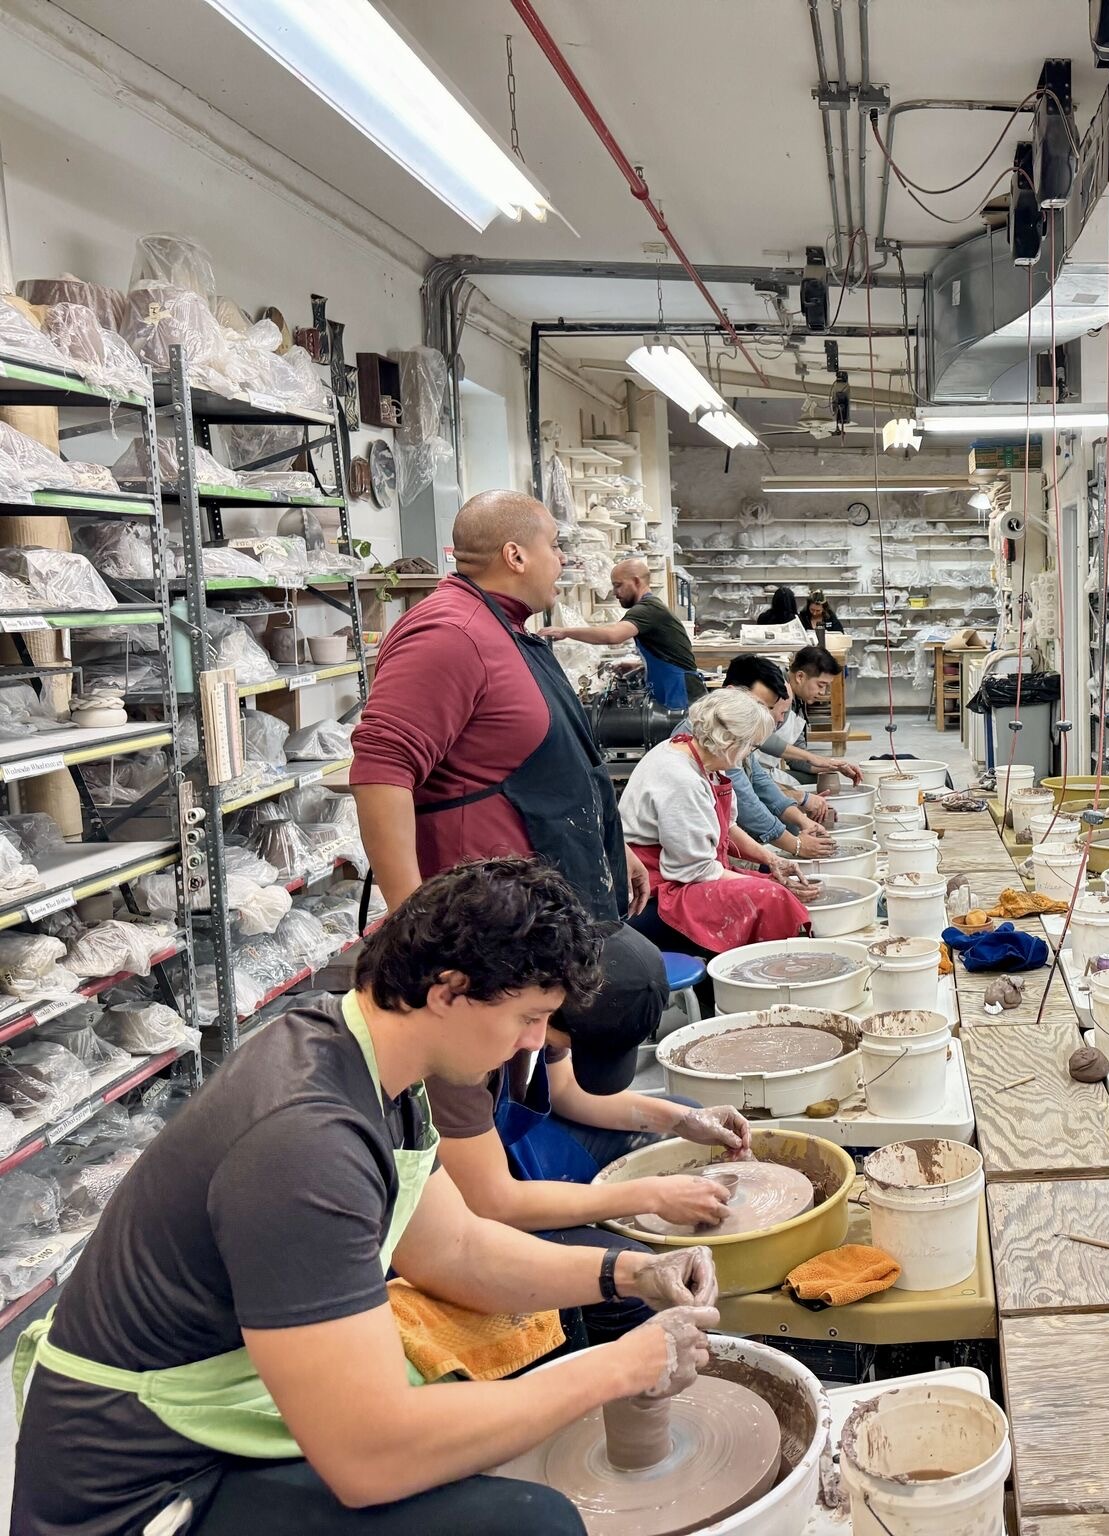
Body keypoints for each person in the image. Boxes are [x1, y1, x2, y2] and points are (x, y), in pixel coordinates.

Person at [13, 859, 723, 1536]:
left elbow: (456, 1250)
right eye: (527, 1017)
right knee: (533, 1523)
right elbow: (370, 1459)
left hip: (225, 1408)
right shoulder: (303, 1145)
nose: (532, 1042)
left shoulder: (378, 1064)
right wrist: (617, 1368)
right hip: (145, 1488)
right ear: (448, 989)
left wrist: (630, 1273)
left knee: (573, 1326)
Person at [352, 491, 666, 1105]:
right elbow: (382, 771)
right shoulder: (450, 634)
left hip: (533, 909)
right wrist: (412, 920)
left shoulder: (509, 631)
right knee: (477, 1086)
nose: (563, 560)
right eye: (555, 546)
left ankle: (526, 1156)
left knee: (533, 1072)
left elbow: (563, 764)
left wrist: (609, 845)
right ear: (515, 554)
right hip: (480, 926)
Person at [619, 688, 815, 964]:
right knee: (771, 897)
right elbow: (693, 870)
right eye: (750, 747)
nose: (749, 755)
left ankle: (730, 979)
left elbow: (728, 826)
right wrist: (766, 884)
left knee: (771, 883)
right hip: (654, 893)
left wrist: (770, 859)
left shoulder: (700, 755)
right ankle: (749, 984)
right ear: (729, 742)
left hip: (689, 870)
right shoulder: (681, 779)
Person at [533, 557, 703, 708]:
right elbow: (668, 654)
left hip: (681, 692)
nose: (615, 592)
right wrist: (640, 666)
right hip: (675, 688)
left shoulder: (647, 609)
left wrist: (566, 632)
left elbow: (613, 636)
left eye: (618, 585)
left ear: (636, 582)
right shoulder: (651, 607)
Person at [721, 655, 838, 859]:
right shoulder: (714, 738)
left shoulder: (737, 732)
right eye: (763, 708)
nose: (773, 719)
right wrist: (796, 845)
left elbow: (759, 781)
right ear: (731, 694)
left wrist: (804, 822)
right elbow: (746, 802)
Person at [758, 643, 864, 787]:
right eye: (821, 685)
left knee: (822, 778)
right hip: (749, 772)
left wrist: (835, 766)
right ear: (800, 676)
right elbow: (759, 738)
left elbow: (796, 759)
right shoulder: (774, 691)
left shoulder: (799, 704)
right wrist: (813, 758)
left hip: (768, 771)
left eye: (826, 686)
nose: (823, 692)